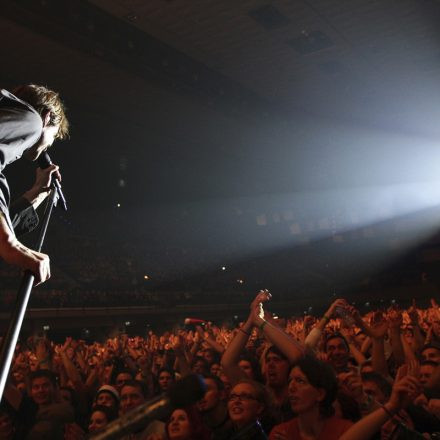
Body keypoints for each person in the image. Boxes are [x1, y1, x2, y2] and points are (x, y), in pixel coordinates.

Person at [0, 84, 68, 285]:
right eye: (53, 136)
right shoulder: (32, 119)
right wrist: (10, 244)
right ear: (47, 117)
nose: (50, 145)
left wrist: (38, 192)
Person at [269, 355, 353, 440]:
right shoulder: (280, 433)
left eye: (300, 381)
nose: (291, 387)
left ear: (320, 394)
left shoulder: (345, 431)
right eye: (290, 381)